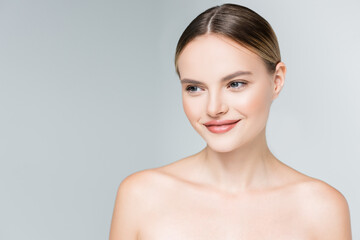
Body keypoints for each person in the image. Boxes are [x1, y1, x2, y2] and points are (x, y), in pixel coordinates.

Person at [109, 3, 352, 239]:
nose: (214, 108)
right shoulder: (140, 196)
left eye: (235, 84)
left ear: (276, 80)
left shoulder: (322, 208)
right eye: (195, 88)